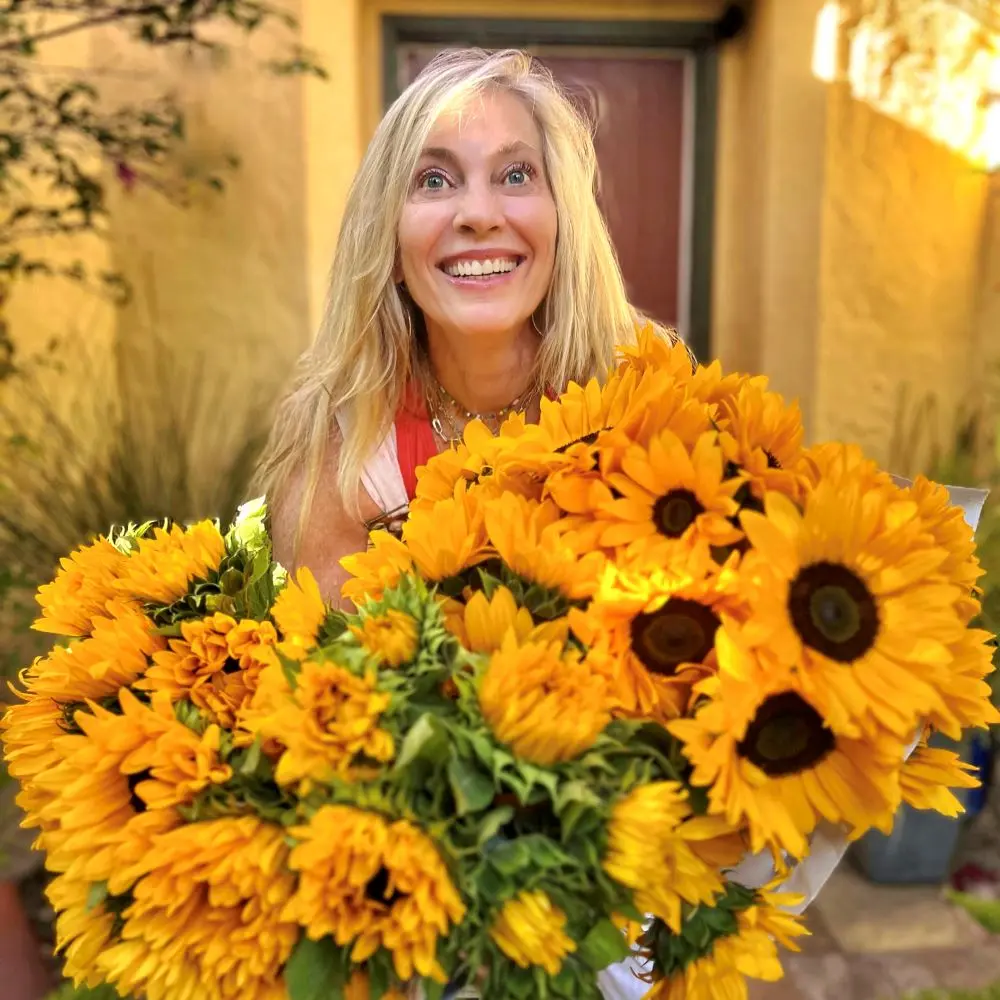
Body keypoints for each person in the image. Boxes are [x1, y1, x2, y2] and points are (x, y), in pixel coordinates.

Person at [252, 46, 860, 1000]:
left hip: (631, 894)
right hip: (443, 907)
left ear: (561, 212)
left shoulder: (648, 385)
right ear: (388, 228)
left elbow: (738, 642)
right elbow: (331, 729)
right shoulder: (348, 447)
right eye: (435, 179)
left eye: (516, 174)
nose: (479, 212)